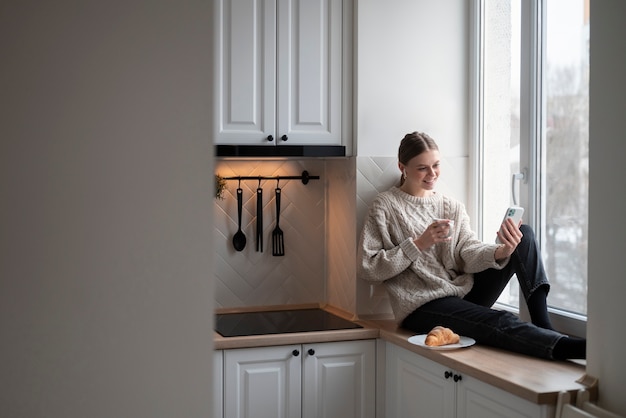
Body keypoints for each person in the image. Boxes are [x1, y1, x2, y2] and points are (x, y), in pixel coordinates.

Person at [357, 131, 585, 360]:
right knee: (500, 319)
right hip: (421, 307)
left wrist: (500, 252)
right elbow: (369, 268)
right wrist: (418, 244)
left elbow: (467, 251)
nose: (432, 173)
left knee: (523, 235)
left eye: (436, 165)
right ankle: (570, 349)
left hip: (461, 293)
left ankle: (544, 325)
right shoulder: (384, 206)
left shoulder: (451, 206)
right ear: (402, 167)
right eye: (422, 168)